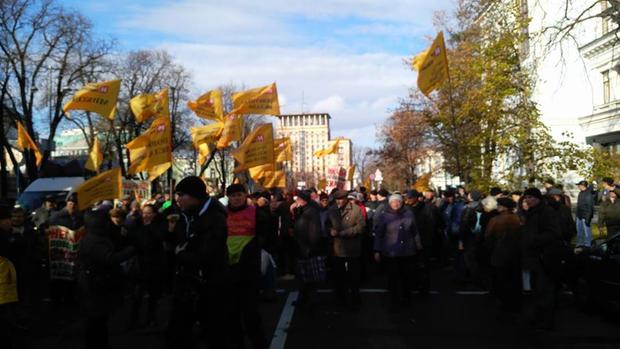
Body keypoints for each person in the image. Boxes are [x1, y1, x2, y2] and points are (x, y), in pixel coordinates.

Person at [167, 176, 229, 349]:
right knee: (179, 332)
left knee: (213, 331)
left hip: (208, 283)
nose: (178, 199)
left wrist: (181, 254)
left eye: (182, 194)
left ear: (195, 196)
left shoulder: (214, 218)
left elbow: (208, 254)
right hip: (189, 282)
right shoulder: (185, 214)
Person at [77, 208, 135, 349]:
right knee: (96, 322)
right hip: (95, 286)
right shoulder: (95, 241)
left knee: (98, 322)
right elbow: (110, 259)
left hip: (96, 284)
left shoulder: (97, 236)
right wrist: (131, 250)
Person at [225, 184, 269, 349]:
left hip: (248, 270)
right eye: (233, 196)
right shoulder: (222, 214)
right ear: (228, 197)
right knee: (231, 315)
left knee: (251, 315)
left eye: (239, 195)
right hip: (228, 271)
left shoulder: (256, 213)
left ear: (245, 196)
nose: (236, 198)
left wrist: (253, 249)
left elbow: (265, 235)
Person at [520, 188, 562, 330]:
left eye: (530, 197)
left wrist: (534, 240)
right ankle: (538, 318)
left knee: (544, 290)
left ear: (538, 198)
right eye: (526, 197)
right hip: (533, 257)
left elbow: (553, 233)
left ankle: (546, 320)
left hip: (544, 257)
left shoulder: (546, 212)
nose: (527, 200)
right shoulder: (532, 212)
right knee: (536, 290)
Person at [374, 193, 421, 310]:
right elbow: (379, 235)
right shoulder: (384, 216)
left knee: (406, 278)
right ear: (390, 203)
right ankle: (394, 302)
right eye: (393, 202)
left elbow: (415, 231)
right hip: (391, 253)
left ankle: (406, 300)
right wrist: (377, 250)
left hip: (407, 251)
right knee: (393, 278)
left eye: (398, 202)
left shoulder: (409, 214)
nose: (396, 204)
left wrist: (418, 246)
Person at [126, 204, 167, 328]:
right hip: (140, 264)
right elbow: (130, 239)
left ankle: (151, 318)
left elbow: (161, 237)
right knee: (137, 294)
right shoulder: (136, 223)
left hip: (155, 264)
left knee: (153, 295)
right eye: (144, 213)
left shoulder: (160, 224)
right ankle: (134, 320)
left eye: (149, 213)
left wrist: (150, 227)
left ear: (154, 214)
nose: (146, 216)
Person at [327, 189, 366, 308]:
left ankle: (355, 298)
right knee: (339, 276)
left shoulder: (356, 209)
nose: (338, 202)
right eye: (336, 199)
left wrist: (346, 232)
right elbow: (327, 224)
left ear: (346, 199)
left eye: (340, 199)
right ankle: (340, 299)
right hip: (337, 249)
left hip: (352, 248)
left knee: (354, 276)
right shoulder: (332, 210)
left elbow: (361, 227)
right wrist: (330, 230)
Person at [485, 197, 521, 312]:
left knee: (500, 279)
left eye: (499, 205)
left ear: (503, 207)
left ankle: (503, 302)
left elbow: (488, 236)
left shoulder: (495, 220)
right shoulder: (518, 218)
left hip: (499, 251)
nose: (497, 207)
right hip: (516, 252)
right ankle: (514, 301)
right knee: (514, 278)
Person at [291, 190, 322, 308]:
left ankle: (309, 301)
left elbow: (314, 232)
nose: (296, 201)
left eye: (297, 199)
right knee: (303, 277)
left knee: (309, 277)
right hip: (301, 247)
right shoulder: (304, 210)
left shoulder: (311, 212)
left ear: (302, 200)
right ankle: (304, 299)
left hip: (307, 249)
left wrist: (309, 249)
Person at [575, 180, 594, 248]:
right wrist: (577, 216)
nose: (578, 186)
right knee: (579, 231)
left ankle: (588, 245)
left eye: (579, 185)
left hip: (585, 216)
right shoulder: (580, 193)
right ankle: (580, 243)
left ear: (582, 186)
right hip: (579, 216)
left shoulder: (588, 194)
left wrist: (588, 218)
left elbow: (590, 207)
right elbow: (579, 205)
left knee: (587, 233)